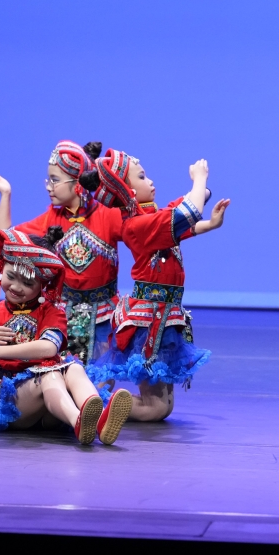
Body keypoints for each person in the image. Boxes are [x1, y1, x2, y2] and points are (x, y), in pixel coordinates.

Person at [0, 228, 133, 444]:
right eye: (11, 277)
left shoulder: (51, 312)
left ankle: (99, 421)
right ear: (2, 269)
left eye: (28, 283)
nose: (16, 287)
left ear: (43, 285)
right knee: (50, 375)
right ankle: (79, 421)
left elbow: (48, 348)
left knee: (74, 368)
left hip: (50, 407)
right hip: (16, 403)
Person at [87, 148, 230, 421]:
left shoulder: (152, 217)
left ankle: (100, 402)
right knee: (156, 408)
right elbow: (188, 212)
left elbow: (188, 214)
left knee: (165, 407)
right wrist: (199, 178)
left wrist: (210, 223)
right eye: (142, 176)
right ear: (128, 191)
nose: (150, 181)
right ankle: (96, 404)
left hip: (165, 314)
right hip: (149, 319)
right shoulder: (138, 225)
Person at [0, 140, 121, 366]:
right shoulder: (49, 220)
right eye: (48, 180)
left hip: (103, 318)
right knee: (68, 376)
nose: (48, 187)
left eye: (55, 180)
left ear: (78, 182)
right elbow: (7, 239)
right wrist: (5, 194)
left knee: (101, 380)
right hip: (63, 319)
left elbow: (142, 231)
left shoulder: (109, 216)